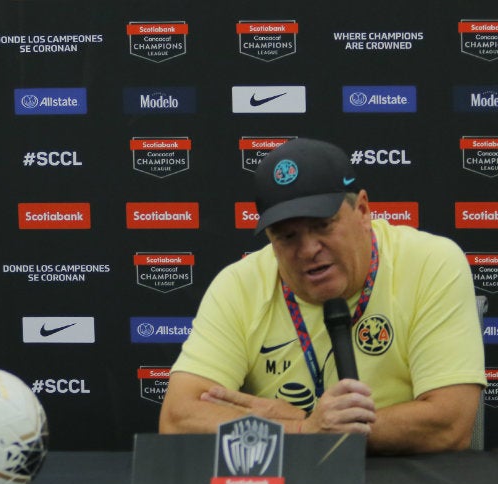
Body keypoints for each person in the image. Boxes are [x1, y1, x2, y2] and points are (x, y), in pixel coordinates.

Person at [158, 138, 485, 454]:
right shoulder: (239, 284)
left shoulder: (429, 262)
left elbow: (450, 424)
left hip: (404, 478)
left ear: (363, 210)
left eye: (323, 226)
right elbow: (177, 419)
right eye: (287, 236)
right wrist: (303, 431)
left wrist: (319, 429)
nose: (308, 250)